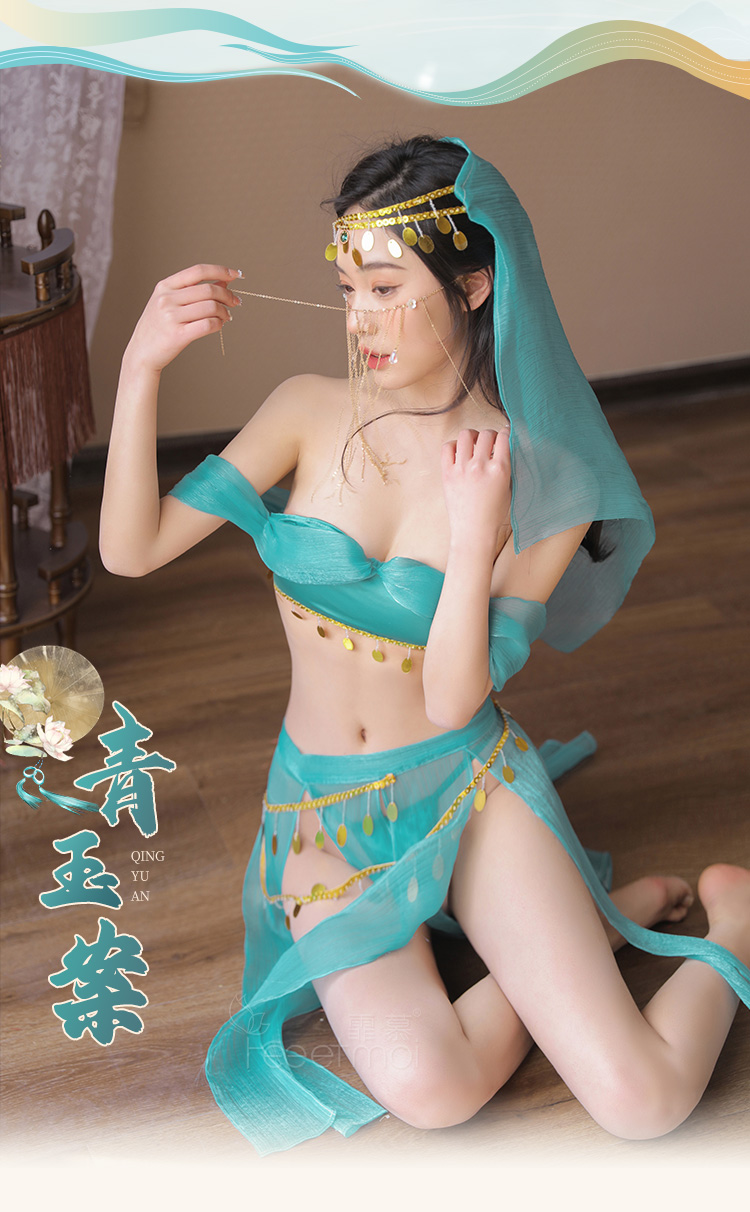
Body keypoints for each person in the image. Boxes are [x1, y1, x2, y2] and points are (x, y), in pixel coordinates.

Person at [100, 135, 750, 1156]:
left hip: (469, 787)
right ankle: (590, 926)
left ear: (475, 284)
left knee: (646, 1104)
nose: (359, 319)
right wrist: (140, 365)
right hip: (326, 814)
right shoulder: (305, 411)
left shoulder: (545, 478)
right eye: (348, 288)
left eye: (387, 289)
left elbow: (454, 701)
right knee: (432, 1092)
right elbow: (131, 550)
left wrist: (478, 530)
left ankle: (734, 920)